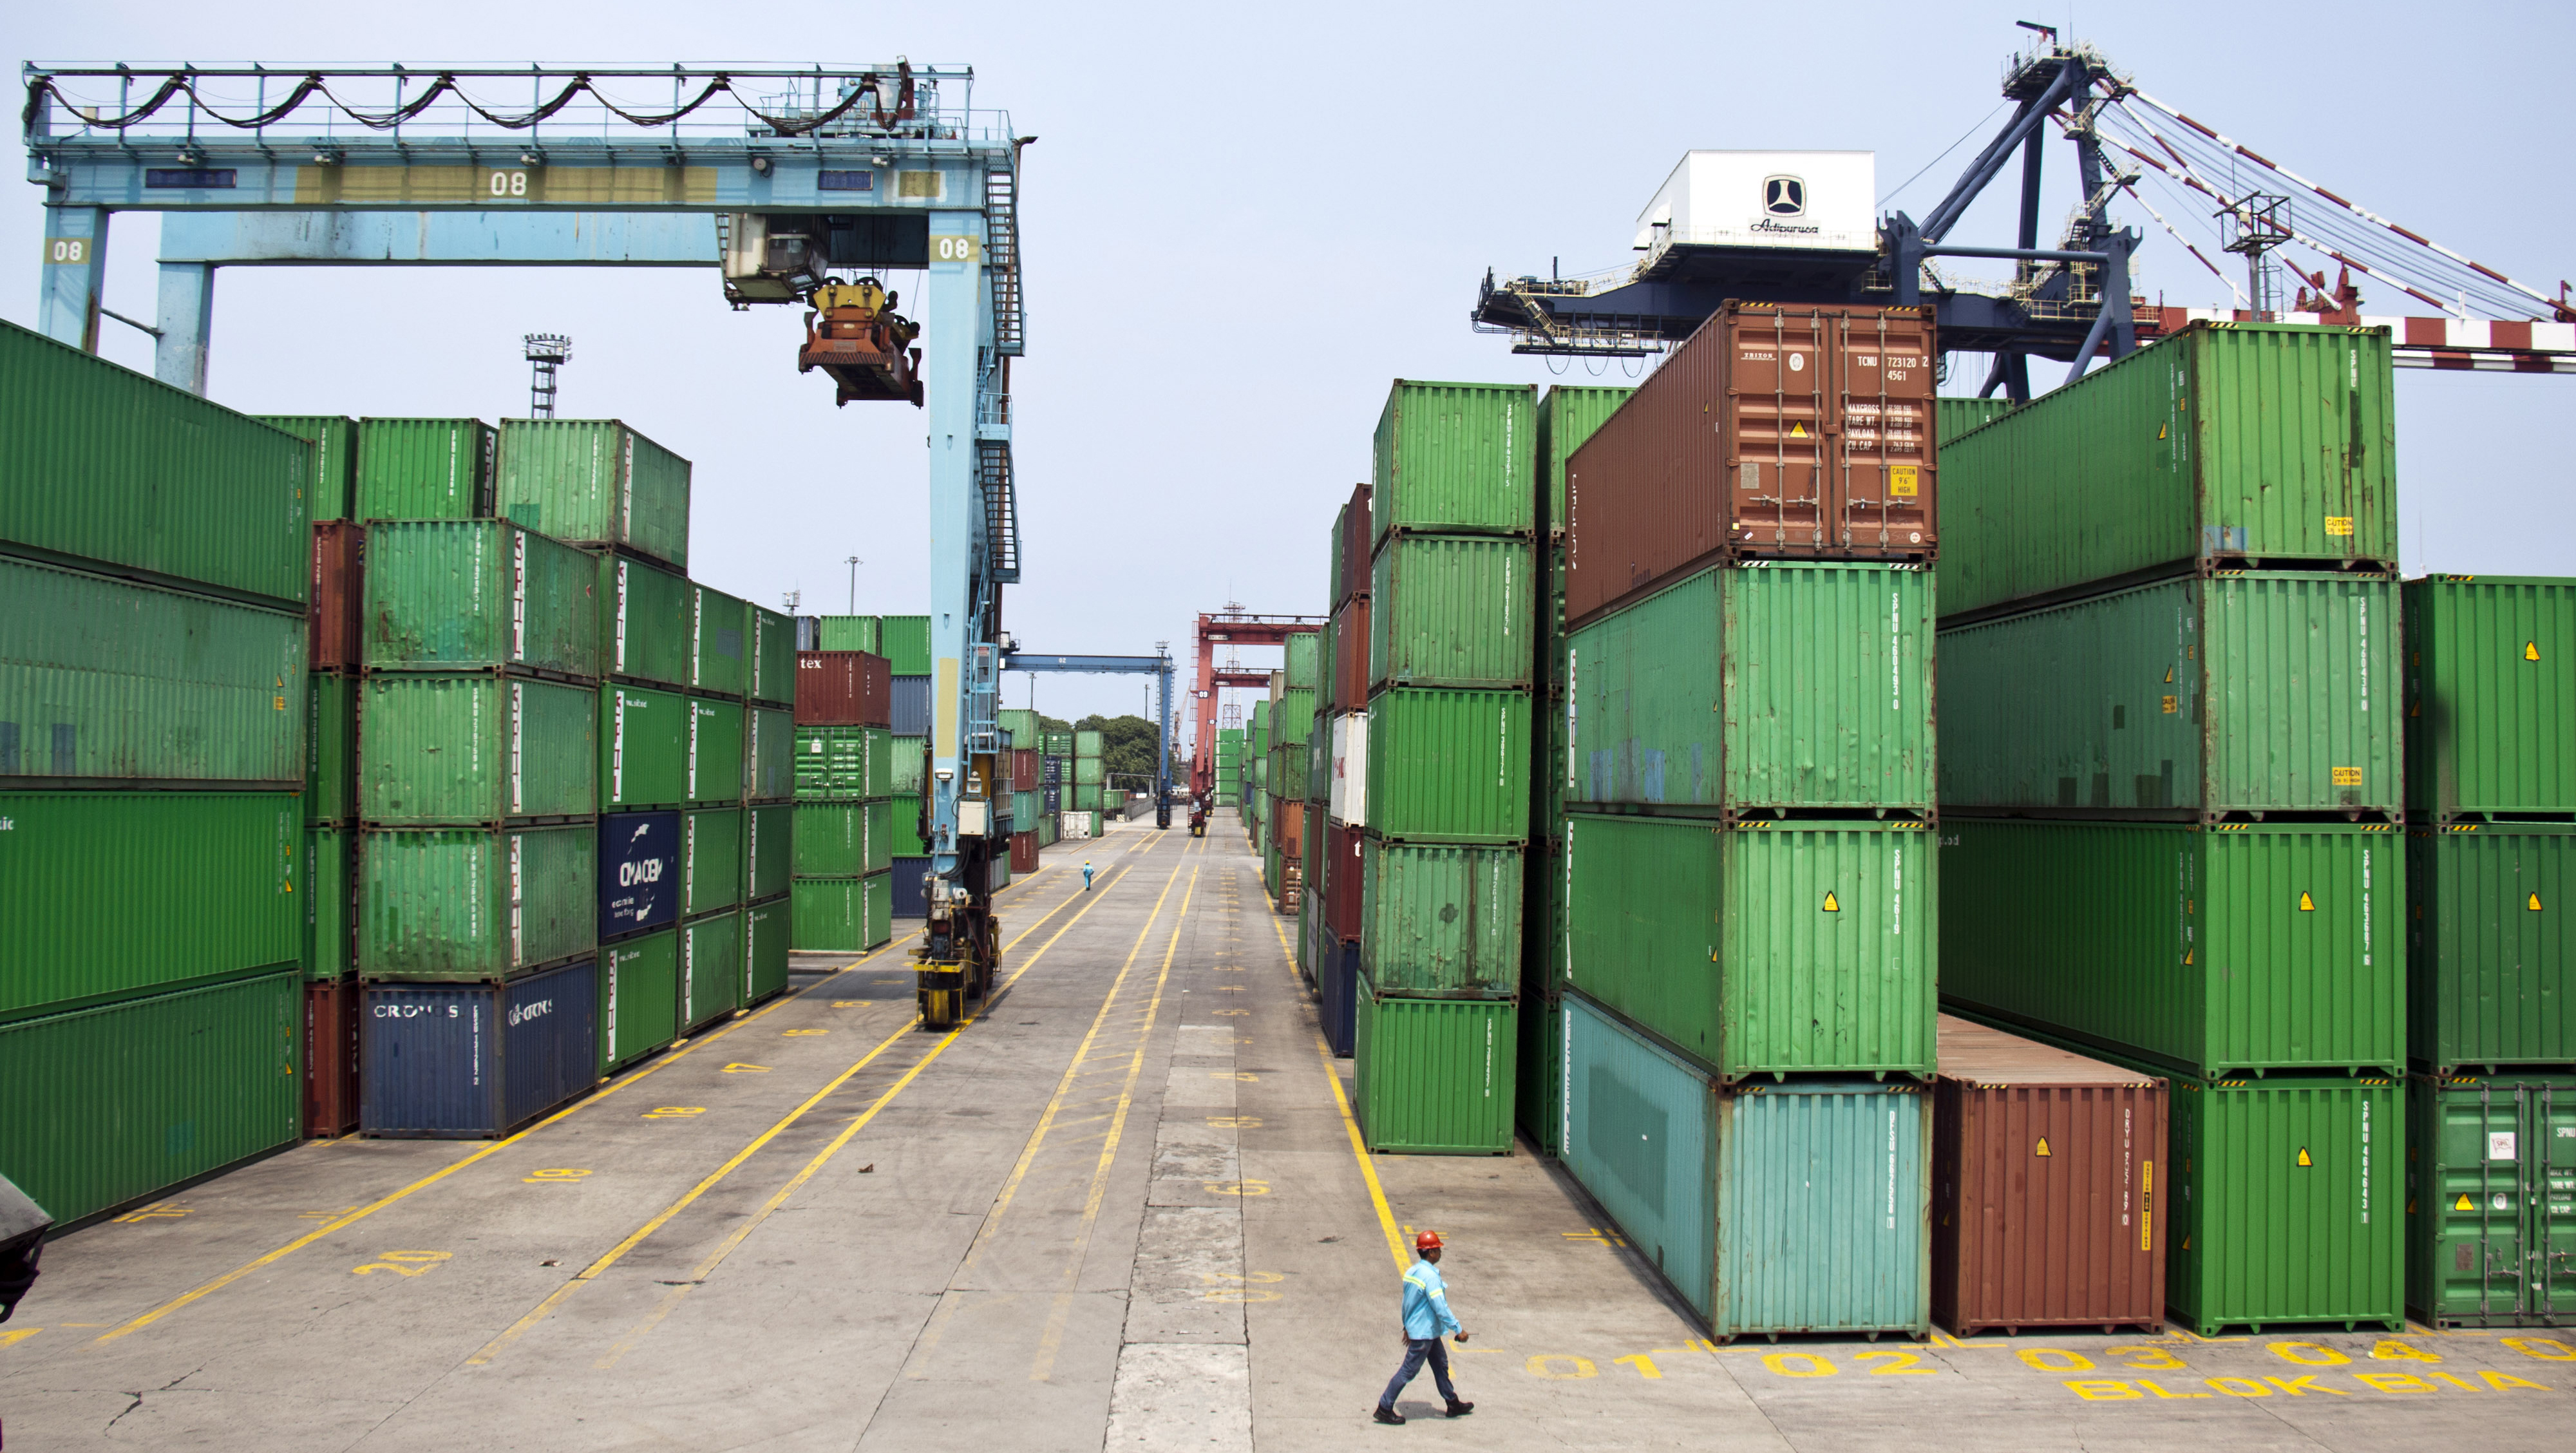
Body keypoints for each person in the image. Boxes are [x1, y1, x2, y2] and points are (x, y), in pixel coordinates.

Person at [1374, 1230, 1473, 1425]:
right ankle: (1384, 1407)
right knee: (1408, 1371)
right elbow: (1440, 1308)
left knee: (1441, 1366)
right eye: (1437, 1249)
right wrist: (1458, 1329)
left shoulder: (1412, 1272)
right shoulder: (1431, 1277)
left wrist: (1407, 1327)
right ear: (1430, 1253)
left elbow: (1407, 1303)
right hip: (1424, 1334)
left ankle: (1453, 1403)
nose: (1440, 1253)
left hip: (1428, 1332)